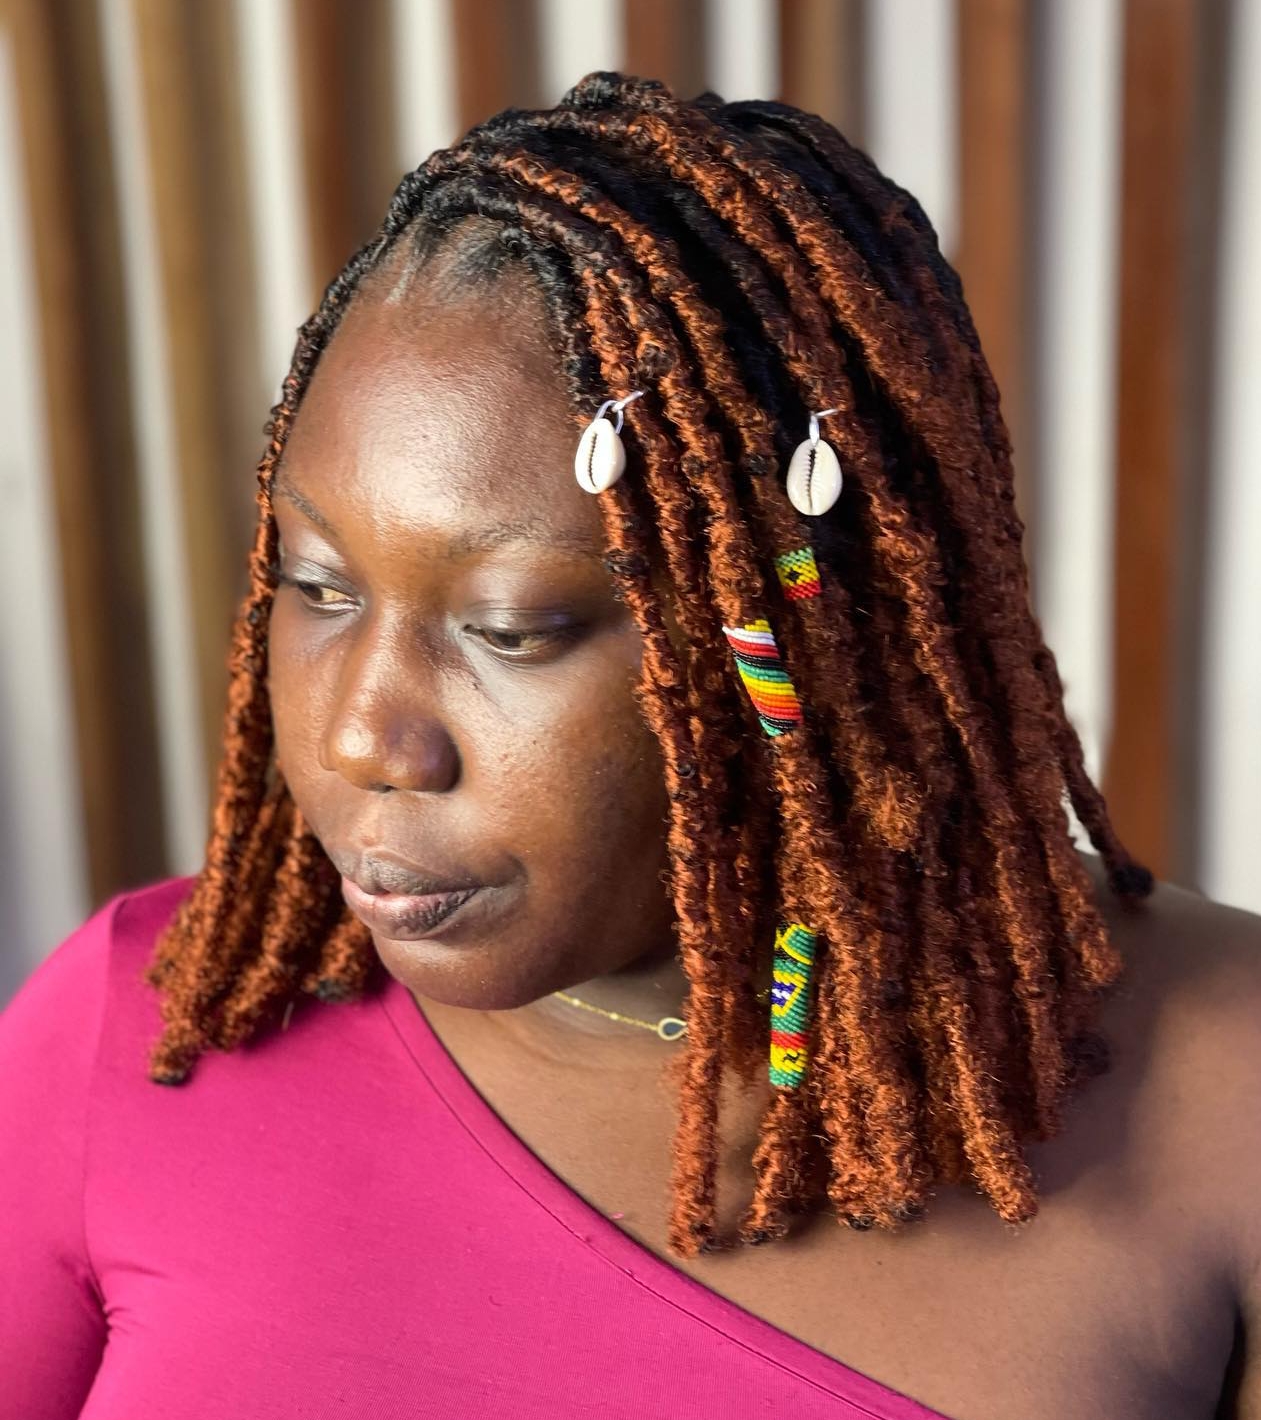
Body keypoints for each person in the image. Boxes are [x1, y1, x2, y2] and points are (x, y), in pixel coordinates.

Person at [1, 70, 1257, 1420]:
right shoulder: (139, 1022)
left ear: (802, 623)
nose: (364, 735)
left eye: (509, 629)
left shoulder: (1225, 1094)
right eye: (319, 586)